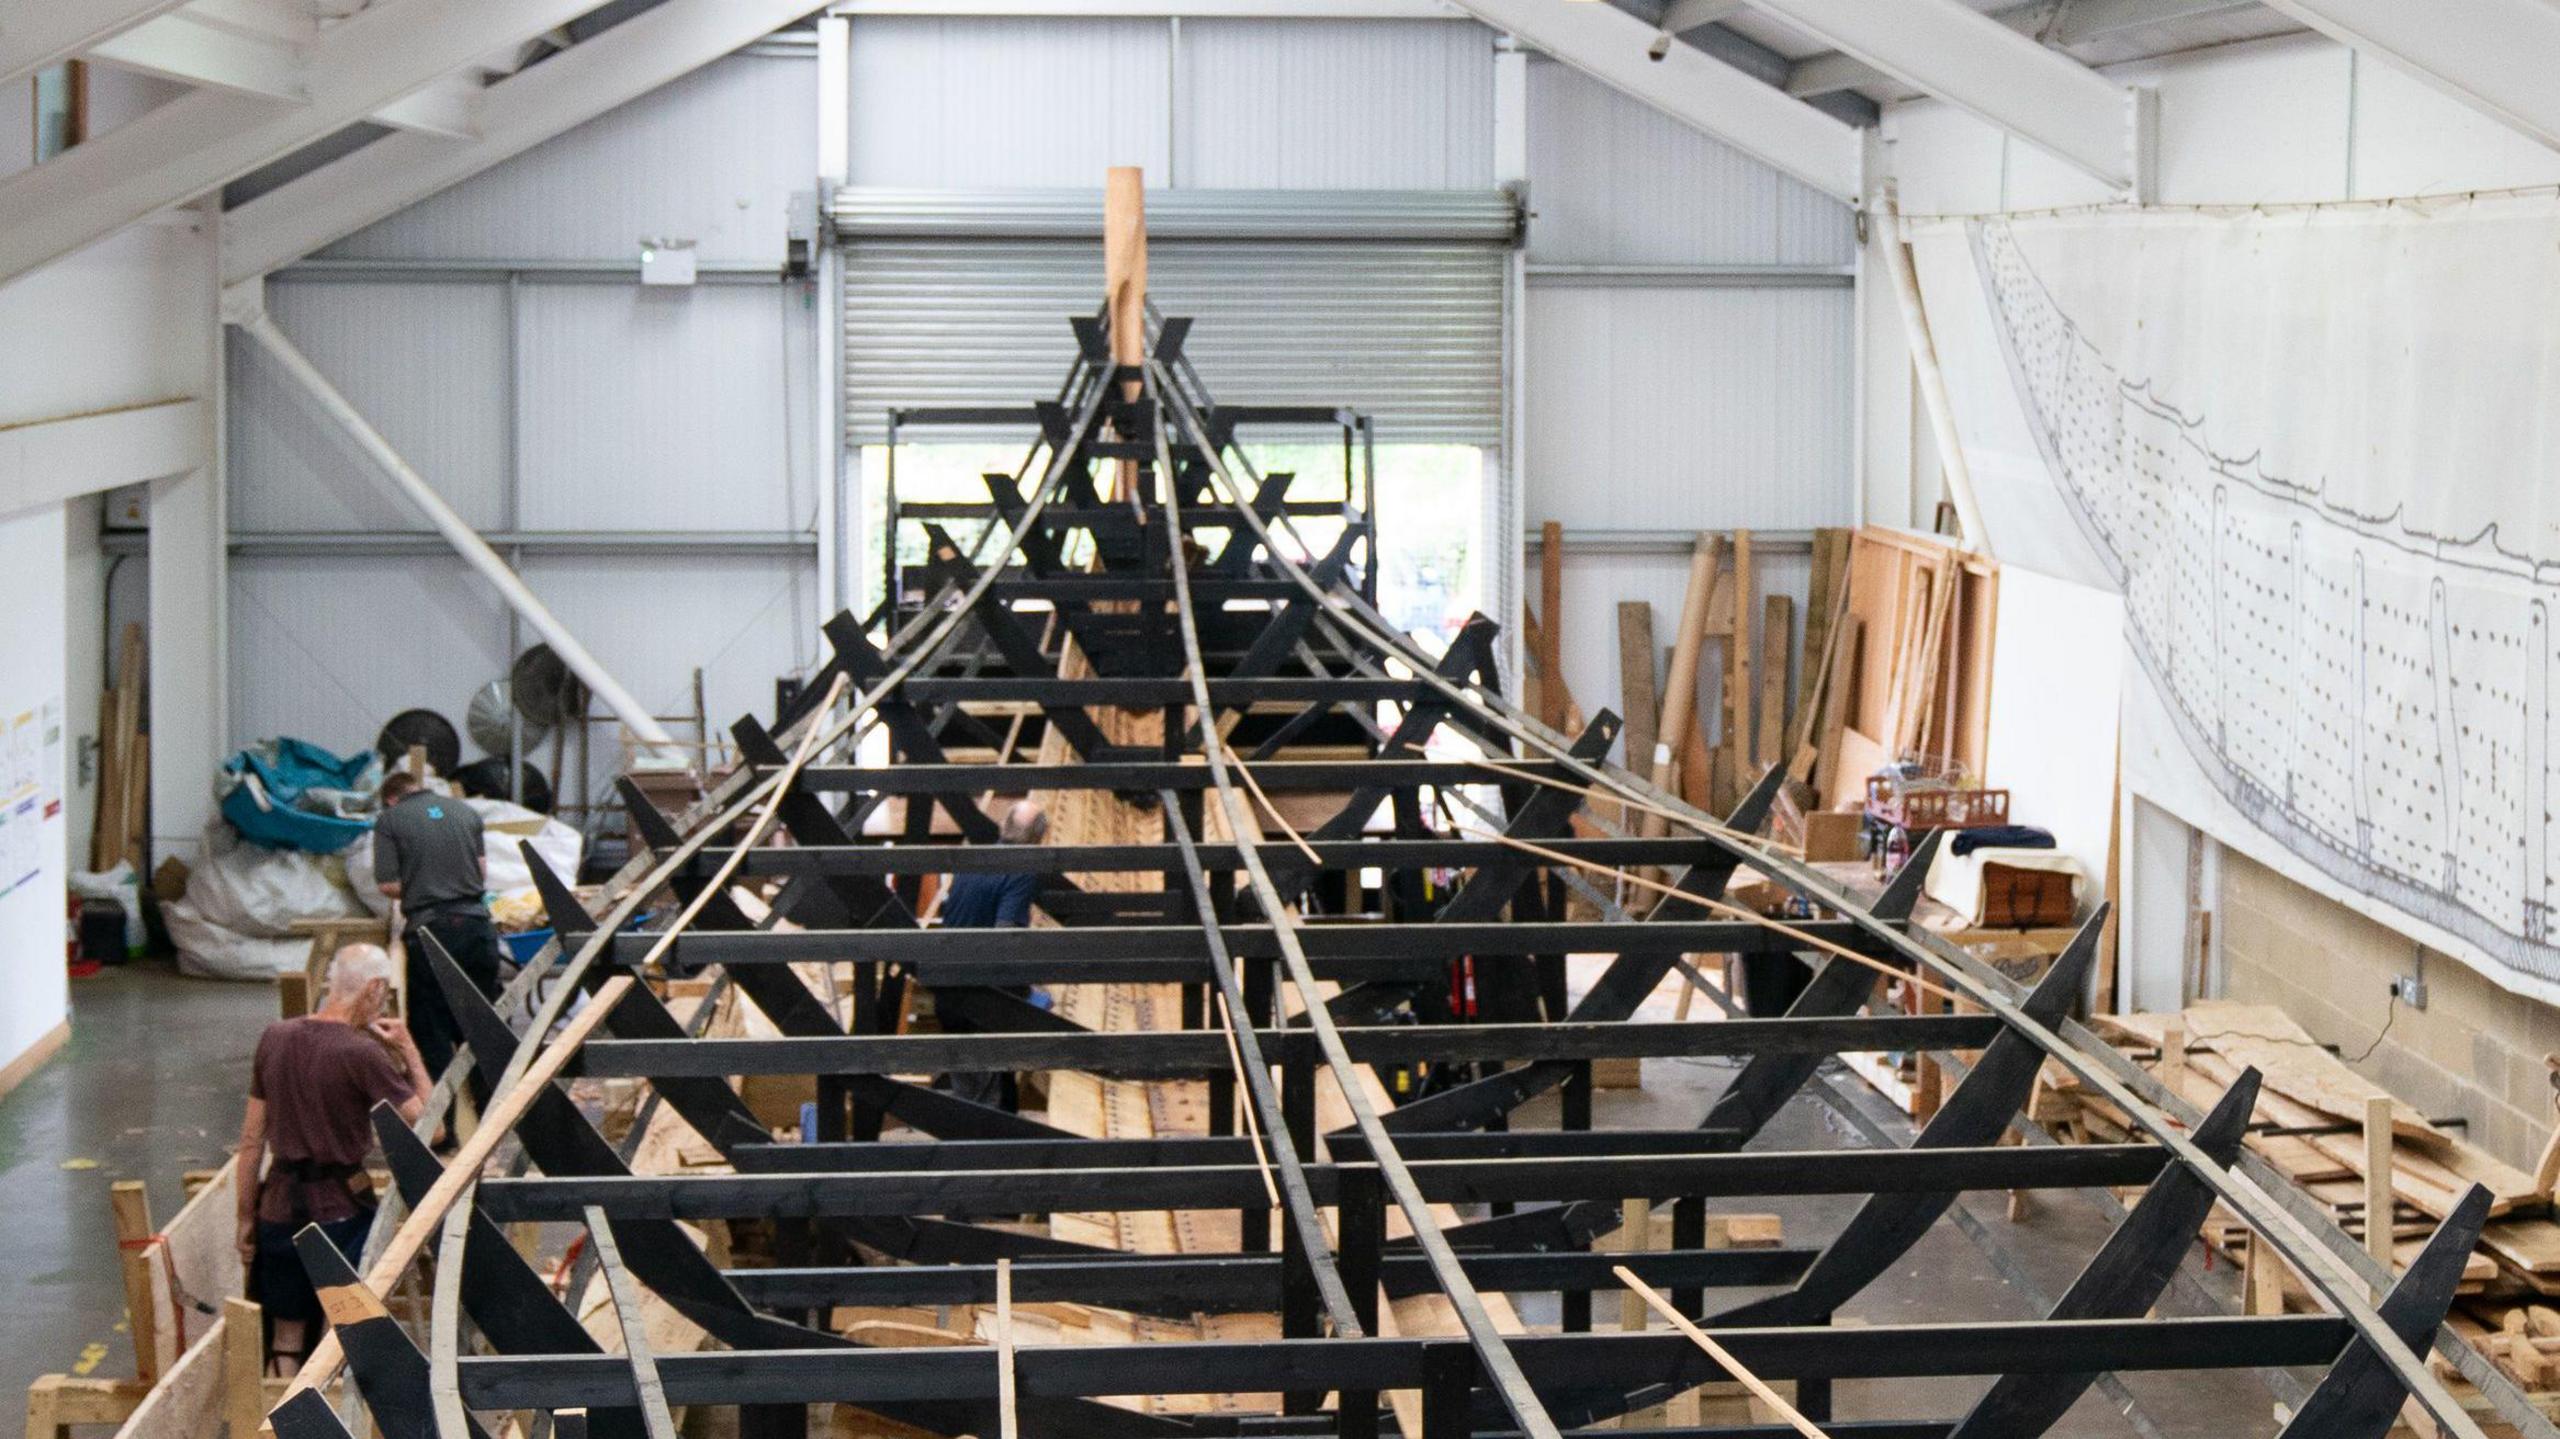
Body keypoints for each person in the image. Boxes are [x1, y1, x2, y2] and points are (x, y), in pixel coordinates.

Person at [233, 944, 430, 1373]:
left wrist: (245, 1218)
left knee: (286, 1337)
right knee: (340, 1331)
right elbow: (429, 1126)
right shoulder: (361, 1054)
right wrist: (409, 1050)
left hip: (278, 1211)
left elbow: (251, 1143)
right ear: (375, 988)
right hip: (341, 1214)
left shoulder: (275, 1037)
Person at [372, 771, 499, 1079]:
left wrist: (423, 883)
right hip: (477, 927)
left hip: (431, 932)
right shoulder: (466, 812)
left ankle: (445, 1122)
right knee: (482, 1024)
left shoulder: (390, 820)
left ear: (391, 798)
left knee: (432, 1028)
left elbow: (388, 884)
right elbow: (481, 871)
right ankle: (492, 1115)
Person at [936, 800, 1047, 1109]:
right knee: (989, 1106)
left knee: (969, 1097)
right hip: (979, 1000)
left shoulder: (976, 859)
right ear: (1039, 839)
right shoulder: (1019, 870)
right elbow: (1004, 936)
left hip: (948, 993)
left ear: (1003, 826)